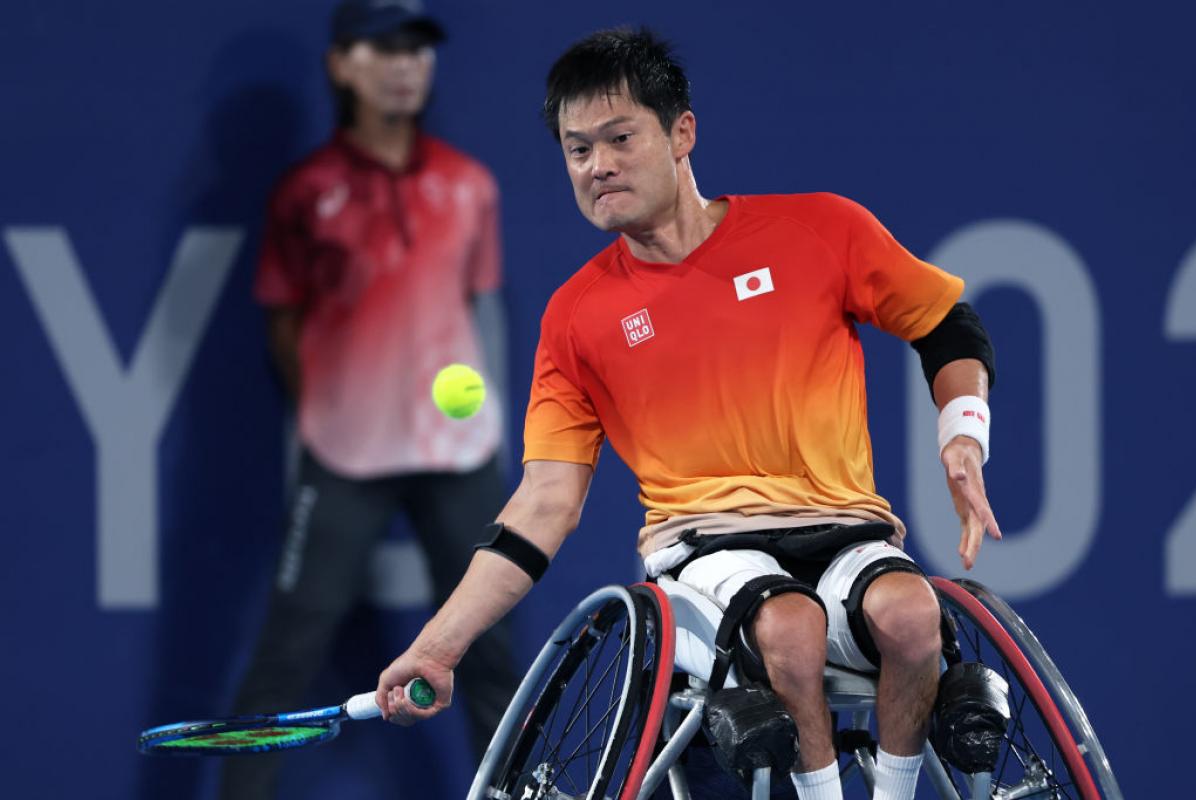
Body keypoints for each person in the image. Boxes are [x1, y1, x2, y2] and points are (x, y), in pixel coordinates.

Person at [374, 27, 1001, 800]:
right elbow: (543, 503)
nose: (597, 165)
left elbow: (946, 326)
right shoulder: (576, 317)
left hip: (845, 527)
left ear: (682, 133)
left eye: (619, 138)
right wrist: (438, 647)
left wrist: (962, 436)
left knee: (913, 617)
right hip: (701, 549)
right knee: (790, 628)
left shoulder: (822, 230)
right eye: (576, 150)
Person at [219, 1, 517, 797]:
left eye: (417, 49)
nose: (405, 65)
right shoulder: (304, 192)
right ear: (341, 65)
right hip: (345, 459)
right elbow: (283, 324)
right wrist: (340, 408)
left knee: (492, 653)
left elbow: (472, 308)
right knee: (287, 652)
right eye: (383, 48)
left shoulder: (470, 185)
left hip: (458, 457)